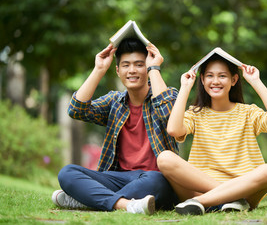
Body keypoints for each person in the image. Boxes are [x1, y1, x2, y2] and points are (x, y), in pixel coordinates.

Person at [52, 38, 179, 215]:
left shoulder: (168, 94)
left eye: (139, 64)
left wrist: (154, 69)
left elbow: (169, 118)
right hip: (117, 178)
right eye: (126, 65)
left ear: (148, 68)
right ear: (118, 71)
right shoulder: (114, 101)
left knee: (156, 180)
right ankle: (125, 205)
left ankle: (88, 200)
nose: (132, 70)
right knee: (67, 173)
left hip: (154, 178)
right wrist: (99, 69)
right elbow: (76, 110)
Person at [157, 53, 267, 215]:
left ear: (234, 80)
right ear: (202, 80)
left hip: (245, 192)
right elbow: (174, 130)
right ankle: (231, 199)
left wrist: (255, 81)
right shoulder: (196, 114)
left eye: (222, 76)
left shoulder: (247, 112)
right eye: (210, 76)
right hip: (202, 189)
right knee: (164, 158)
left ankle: (201, 203)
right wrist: (185, 87)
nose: (216, 81)